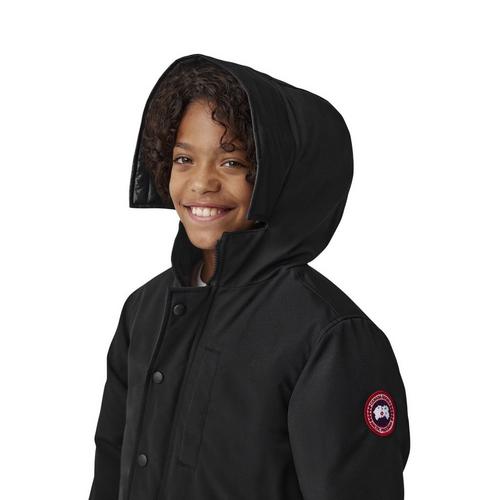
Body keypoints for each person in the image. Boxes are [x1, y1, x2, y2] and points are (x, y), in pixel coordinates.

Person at [89, 53, 411, 500]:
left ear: (277, 177)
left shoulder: (330, 337)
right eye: (183, 158)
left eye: (232, 163)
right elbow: (110, 464)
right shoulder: (144, 309)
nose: (201, 183)